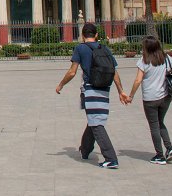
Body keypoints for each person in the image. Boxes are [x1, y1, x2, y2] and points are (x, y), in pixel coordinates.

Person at [55, 23, 129, 169]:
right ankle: (85, 149)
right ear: (96, 35)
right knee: (93, 119)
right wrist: (121, 91)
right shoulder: (105, 48)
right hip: (104, 89)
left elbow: (72, 72)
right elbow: (114, 72)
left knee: (96, 123)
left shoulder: (80, 48)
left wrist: (61, 85)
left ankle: (111, 158)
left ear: (83, 35)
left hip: (90, 90)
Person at [126, 35, 172, 165]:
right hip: (166, 96)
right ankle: (169, 148)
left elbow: (138, 80)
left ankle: (159, 155)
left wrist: (131, 96)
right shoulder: (166, 58)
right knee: (161, 123)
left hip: (150, 98)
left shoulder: (144, 60)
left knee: (154, 126)